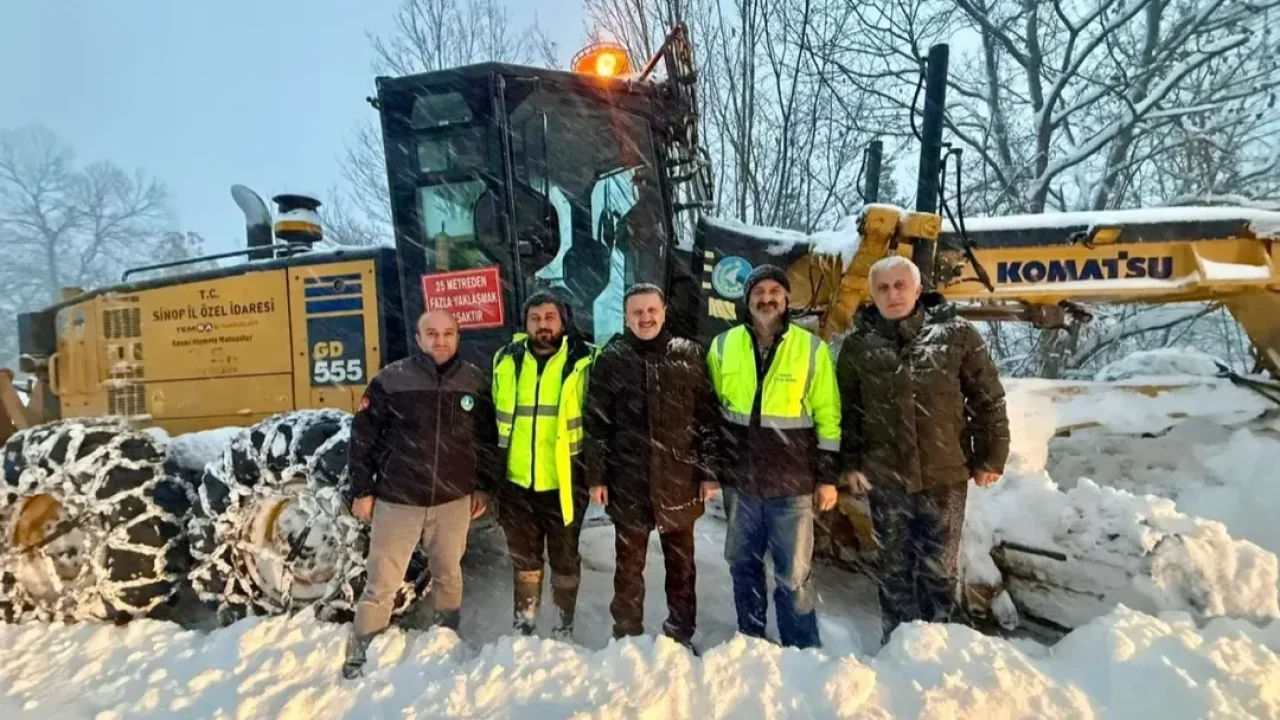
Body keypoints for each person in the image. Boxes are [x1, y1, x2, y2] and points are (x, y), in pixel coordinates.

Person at [836, 255, 1010, 645]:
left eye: (900, 285)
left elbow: (989, 399)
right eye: (883, 287)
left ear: (918, 289)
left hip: (944, 474)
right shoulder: (858, 347)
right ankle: (896, 644)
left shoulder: (957, 335)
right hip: (885, 478)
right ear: (872, 294)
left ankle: (939, 646)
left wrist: (991, 457)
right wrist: (848, 465)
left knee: (940, 569)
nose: (892, 294)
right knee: (894, 568)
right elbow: (845, 414)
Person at [342, 309, 499, 679]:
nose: (440, 340)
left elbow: (486, 441)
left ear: (457, 337)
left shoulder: (474, 382)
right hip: (399, 501)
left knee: (449, 575)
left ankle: (447, 638)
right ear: (418, 338)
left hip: (453, 501)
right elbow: (362, 439)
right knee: (381, 582)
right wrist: (361, 490)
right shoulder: (391, 380)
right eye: (432, 333)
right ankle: (361, 649)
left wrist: (484, 486)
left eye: (448, 332)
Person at [706, 264, 841, 649]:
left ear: (786, 300)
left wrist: (828, 477)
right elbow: (712, 413)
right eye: (758, 292)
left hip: (792, 484)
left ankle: (801, 648)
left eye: (774, 292)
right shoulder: (722, 346)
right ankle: (751, 641)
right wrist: (713, 470)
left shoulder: (810, 348)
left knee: (794, 574)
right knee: (743, 566)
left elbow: (829, 416)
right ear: (747, 301)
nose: (767, 298)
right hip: (741, 483)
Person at [583, 283, 720, 652]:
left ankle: (680, 632)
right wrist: (596, 475)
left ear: (664, 312)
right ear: (626, 318)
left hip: (680, 479)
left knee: (682, 568)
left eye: (651, 310)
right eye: (636, 312)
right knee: (628, 568)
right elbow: (596, 423)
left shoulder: (690, 355)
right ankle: (626, 634)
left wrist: (709, 472)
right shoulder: (611, 359)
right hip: (629, 480)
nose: (645, 318)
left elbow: (707, 419)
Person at [491, 290, 595, 639]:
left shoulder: (583, 361)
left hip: (565, 483)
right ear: (525, 324)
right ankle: (525, 622)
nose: (543, 325)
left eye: (550, 318)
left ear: (563, 321)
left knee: (565, 559)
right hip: (517, 483)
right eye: (535, 319)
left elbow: (598, 424)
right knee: (525, 559)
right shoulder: (505, 360)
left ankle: (564, 624)